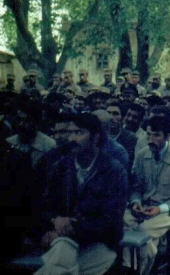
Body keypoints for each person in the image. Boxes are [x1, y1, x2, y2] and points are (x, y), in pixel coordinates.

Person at [35, 114, 128, 275]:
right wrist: (55, 219)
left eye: (79, 132)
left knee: (57, 266)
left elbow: (111, 220)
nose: (72, 138)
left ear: (95, 137)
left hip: (100, 243)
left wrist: (71, 226)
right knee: (62, 257)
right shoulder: (62, 167)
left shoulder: (113, 170)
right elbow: (46, 205)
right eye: (70, 132)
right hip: (64, 240)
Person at [124, 115, 170, 275]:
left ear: (168, 136)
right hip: (143, 207)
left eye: (156, 135)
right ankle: (130, 268)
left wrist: (159, 209)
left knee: (144, 232)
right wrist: (136, 202)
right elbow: (137, 187)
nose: (150, 139)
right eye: (148, 134)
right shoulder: (142, 154)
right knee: (124, 224)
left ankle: (138, 271)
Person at [6, 100, 56, 167]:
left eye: (26, 121)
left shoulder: (48, 145)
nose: (21, 124)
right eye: (19, 120)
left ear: (36, 124)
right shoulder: (9, 142)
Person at [106, 102, 138, 172]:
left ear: (123, 117)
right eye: (108, 113)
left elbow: (128, 163)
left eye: (115, 114)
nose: (111, 117)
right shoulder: (99, 136)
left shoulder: (130, 137)